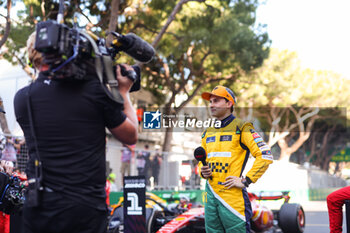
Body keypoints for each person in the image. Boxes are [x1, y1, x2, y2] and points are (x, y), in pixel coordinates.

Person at [13, 32, 138, 233]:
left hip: (41, 207)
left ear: (33, 59)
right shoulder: (94, 92)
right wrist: (122, 91)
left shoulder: (22, 99)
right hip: (86, 209)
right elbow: (130, 135)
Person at [198, 85, 273, 233]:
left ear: (229, 103)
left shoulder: (243, 127)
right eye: (211, 101)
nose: (211, 105)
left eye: (216, 101)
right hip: (210, 195)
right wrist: (203, 171)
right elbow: (203, 161)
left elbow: (265, 155)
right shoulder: (207, 132)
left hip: (233, 196)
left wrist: (246, 180)